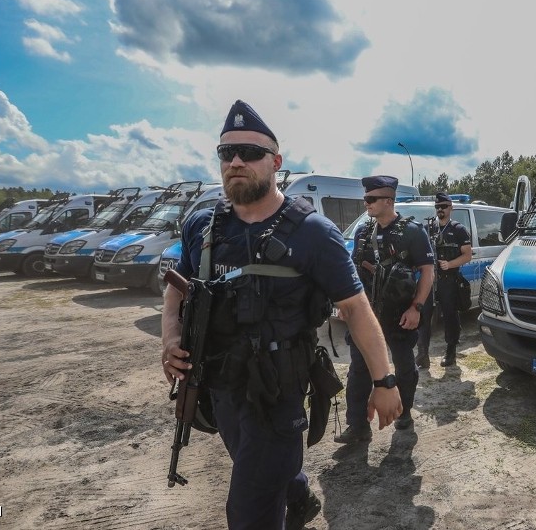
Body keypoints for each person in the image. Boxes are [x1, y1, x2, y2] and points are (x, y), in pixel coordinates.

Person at [161, 100, 403, 530]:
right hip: (220, 385)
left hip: (277, 390)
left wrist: (384, 381)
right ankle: (298, 493)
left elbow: (356, 308)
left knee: (248, 511)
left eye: (250, 153)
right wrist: (170, 341)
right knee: (255, 465)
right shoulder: (201, 225)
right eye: (226, 152)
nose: (236, 161)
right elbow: (176, 288)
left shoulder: (313, 232)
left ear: (275, 162)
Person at [335, 175, 434, 441]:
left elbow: (427, 271)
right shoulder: (363, 232)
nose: (365, 203)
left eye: (371, 199)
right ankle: (357, 426)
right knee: (358, 369)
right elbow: (354, 272)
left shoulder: (413, 232)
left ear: (389, 201)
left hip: (400, 315)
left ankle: (404, 412)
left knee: (404, 367)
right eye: (365, 198)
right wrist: (346, 306)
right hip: (366, 317)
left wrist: (417, 308)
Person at [416, 192, 473, 368]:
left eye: (444, 206)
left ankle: (451, 352)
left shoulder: (458, 229)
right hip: (430, 279)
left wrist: (450, 264)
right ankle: (422, 353)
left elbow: (468, 255)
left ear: (451, 207)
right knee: (424, 315)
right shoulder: (429, 228)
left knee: (450, 315)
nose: (440, 210)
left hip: (449, 279)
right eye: (438, 207)